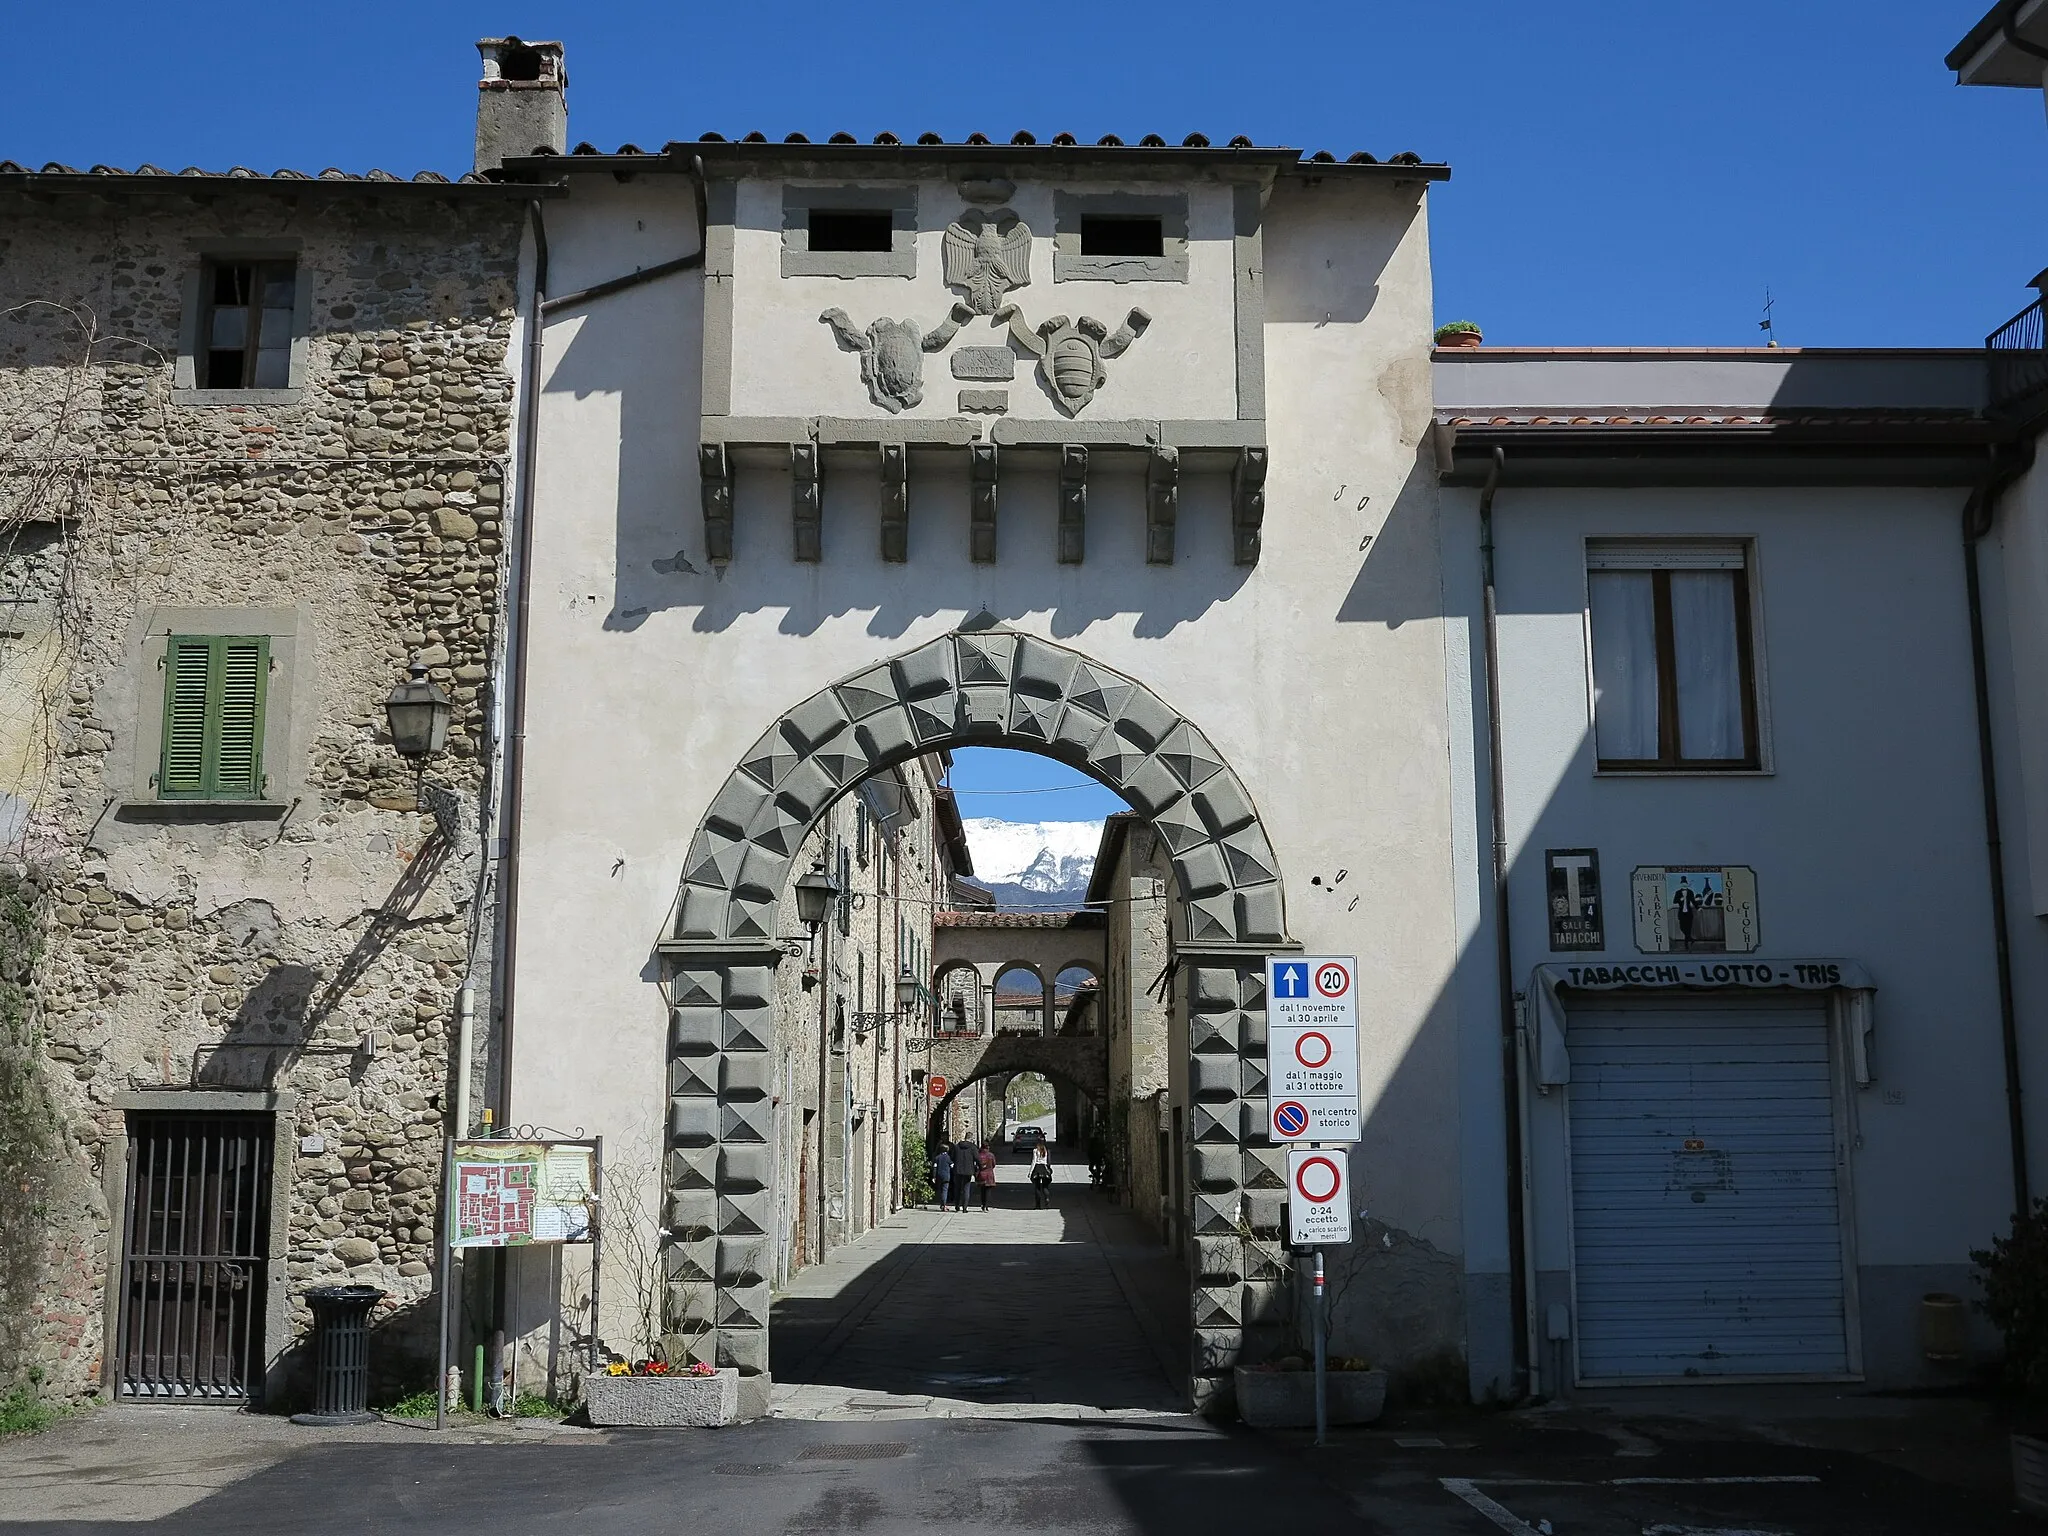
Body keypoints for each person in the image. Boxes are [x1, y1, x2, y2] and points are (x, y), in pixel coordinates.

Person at [951, 1138, 975, 1213]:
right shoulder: (972, 1147)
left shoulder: (957, 1146)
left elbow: (952, 1157)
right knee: (966, 1189)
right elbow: (977, 1158)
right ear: (971, 1139)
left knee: (957, 1188)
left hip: (958, 1170)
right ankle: (965, 1207)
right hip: (968, 1170)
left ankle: (957, 1206)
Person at [1029, 1143, 1053, 1208]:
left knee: (1037, 1187)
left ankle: (1038, 1205)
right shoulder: (1046, 1150)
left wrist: (1030, 1172)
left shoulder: (1035, 1150)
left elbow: (1034, 1161)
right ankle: (1047, 1200)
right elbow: (1049, 1161)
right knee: (1045, 1186)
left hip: (1037, 1168)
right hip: (1044, 1168)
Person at [976, 1142, 997, 1211]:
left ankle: (983, 1204)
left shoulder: (979, 1155)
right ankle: (986, 1205)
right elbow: (994, 1164)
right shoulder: (991, 1155)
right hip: (989, 1174)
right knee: (988, 1191)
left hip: (982, 1174)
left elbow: (977, 1164)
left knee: (982, 1191)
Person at [933, 1145, 954, 1211]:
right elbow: (952, 1166)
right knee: (945, 1190)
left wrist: (934, 1176)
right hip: (946, 1176)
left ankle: (942, 1204)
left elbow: (935, 1168)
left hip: (939, 1176)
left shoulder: (937, 1158)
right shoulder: (948, 1158)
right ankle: (944, 1204)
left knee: (941, 1190)